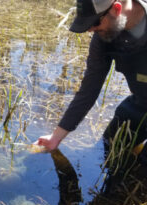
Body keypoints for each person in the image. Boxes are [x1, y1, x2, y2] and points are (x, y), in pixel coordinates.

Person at [37, 0, 147, 167]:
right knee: (113, 143)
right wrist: (55, 138)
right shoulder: (105, 36)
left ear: (116, 9)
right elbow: (89, 88)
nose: (91, 29)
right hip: (142, 101)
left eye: (95, 22)